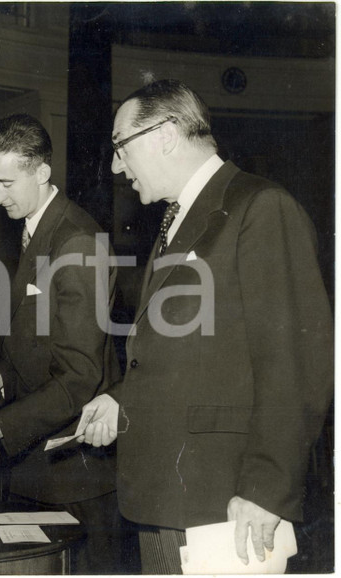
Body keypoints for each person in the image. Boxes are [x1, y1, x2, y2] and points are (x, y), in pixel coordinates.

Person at [77, 79, 334, 573]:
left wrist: (265, 490)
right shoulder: (181, 218)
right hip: (169, 499)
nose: (115, 165)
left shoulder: (259, 207)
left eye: (119, 147)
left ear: (164, 134)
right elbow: (191, 353)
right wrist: (122, 397)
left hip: (224, 505)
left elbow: (296, 363)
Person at [0, 113, 124, 573]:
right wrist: (0, 377)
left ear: (42, 173)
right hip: (37, 469)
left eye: (5, 183)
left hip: (75, 479)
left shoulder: (77, 240)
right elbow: (38, 340)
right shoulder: (37, 230)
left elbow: (81, 376)